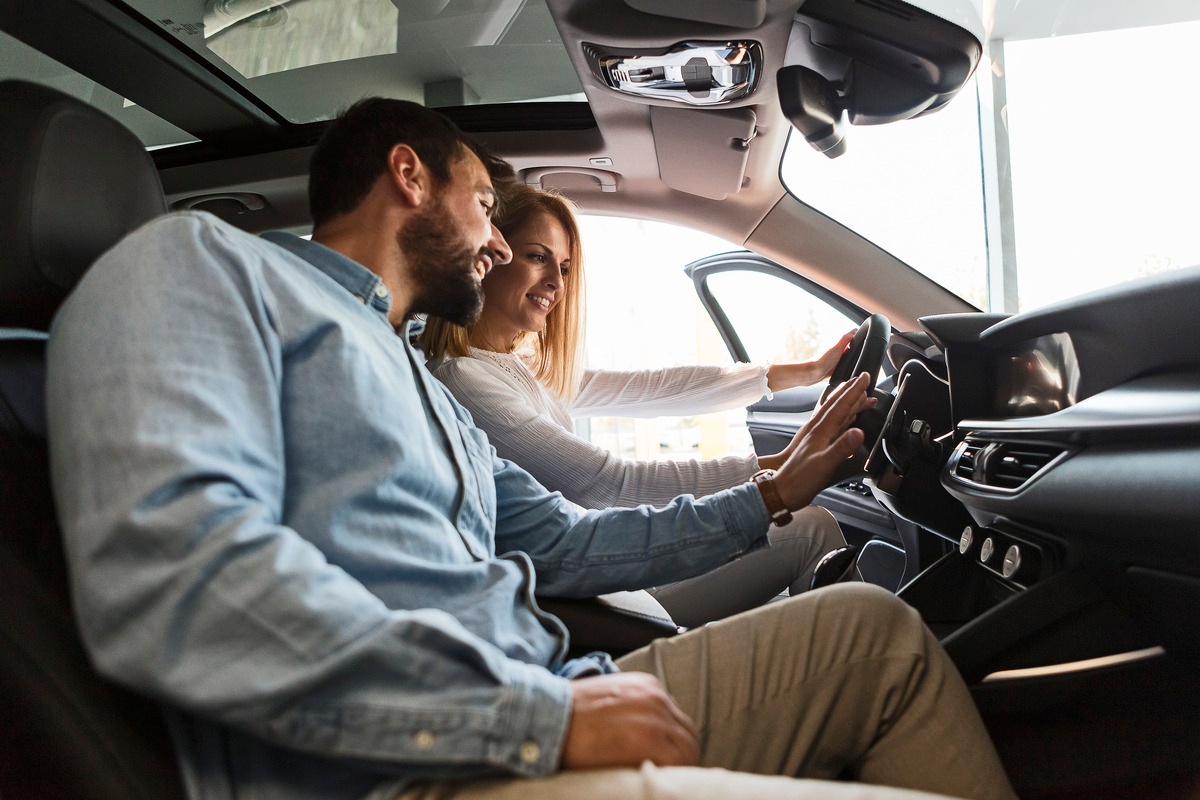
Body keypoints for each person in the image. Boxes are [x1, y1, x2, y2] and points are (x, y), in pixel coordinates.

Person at [46, 97, 1018, 800]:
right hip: (417, 768)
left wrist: (768, 492)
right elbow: (175, 573)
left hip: (544, 692)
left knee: (873, 632)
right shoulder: (199, 263)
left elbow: (567, 538)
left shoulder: (418, 377)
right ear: (408, 174)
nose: (502, 248)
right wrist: (528, 718)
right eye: (483, 205)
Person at [420, 184, 858, 626]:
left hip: (613, 573)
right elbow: (609, 486)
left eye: (565, 267)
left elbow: (658, 388)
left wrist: (807, 372)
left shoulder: (520, 368)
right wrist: (779, 466)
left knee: (797, 578)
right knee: (811, 529)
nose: (556, 282)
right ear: (489, 254)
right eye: (538, 256)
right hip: (610, 588)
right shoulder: (464, 379)